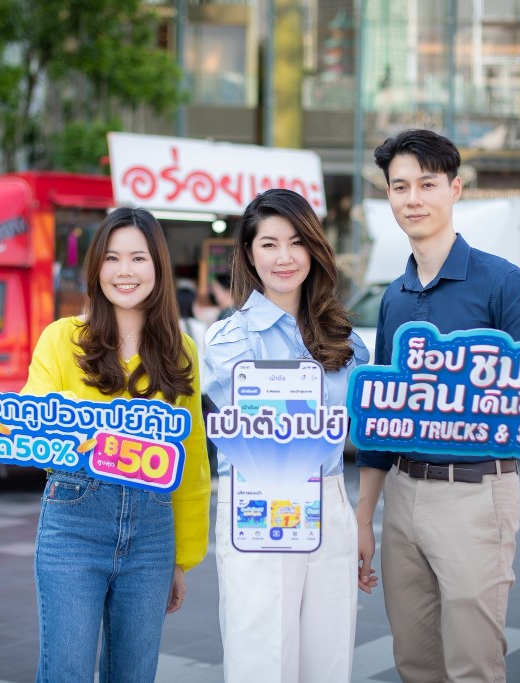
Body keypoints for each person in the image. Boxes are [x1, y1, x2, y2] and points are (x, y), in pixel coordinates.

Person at [355, 129, 520, 683]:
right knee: (414, 660)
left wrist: (479, 391)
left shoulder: (502, 282)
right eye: (399, 187)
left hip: (476, 494)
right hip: (402, 495)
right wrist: (364, 518)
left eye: (427, 184)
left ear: (456, 189)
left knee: (473, 664)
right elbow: (382, 413)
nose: (413, 198)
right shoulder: (394, 297)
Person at [21, 207, 211, 683]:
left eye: (138, 258)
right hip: (75, 523)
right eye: (112, 259)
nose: (125, 271)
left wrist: (181, 558)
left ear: (158, 268)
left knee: (134, 675)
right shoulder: (63, 339)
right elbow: (27, 422)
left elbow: (191, 461)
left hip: (152, 533)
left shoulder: (181, 351)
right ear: (96, 268)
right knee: (65, 672)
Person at [203, 188, 371, 682]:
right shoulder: (229, 339)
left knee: (330, 659)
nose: (284, 257)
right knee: (263, 661)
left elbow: (356, 427)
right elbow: (261, 424)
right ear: (250, 255)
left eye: (296, 242)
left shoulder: (347, 339)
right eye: (269, 244)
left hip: (330, 497)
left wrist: (360, 521)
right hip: (261, 498)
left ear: (314, 249)